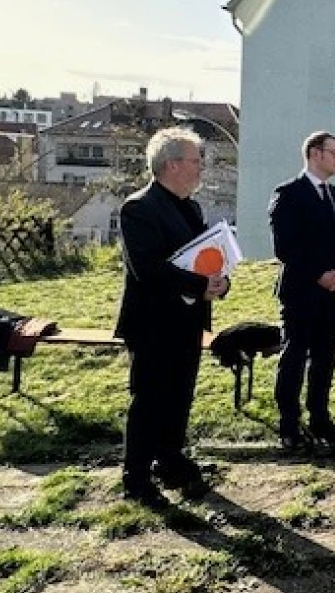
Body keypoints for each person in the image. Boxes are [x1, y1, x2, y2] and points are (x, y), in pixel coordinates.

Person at [116, 127, 228, 506]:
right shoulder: (138, 208)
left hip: (187, 320)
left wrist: (219, 282)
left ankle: (171, 461)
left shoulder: (191, 207)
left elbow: (206, 257)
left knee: (179, 396)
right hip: (151, 323)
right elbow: (147, 268)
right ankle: (136, 477)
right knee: (148, 400)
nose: (201, 170)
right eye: (196, 162)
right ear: (173, 164)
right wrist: (200, 284)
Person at [269, 131, 335, 450]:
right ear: (315, 154)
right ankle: (289, 424)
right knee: (294, 355)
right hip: (301, 290)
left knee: (326, 356)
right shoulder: (288, 193)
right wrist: (318, 275)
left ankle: (320, 417)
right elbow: (285, 246)